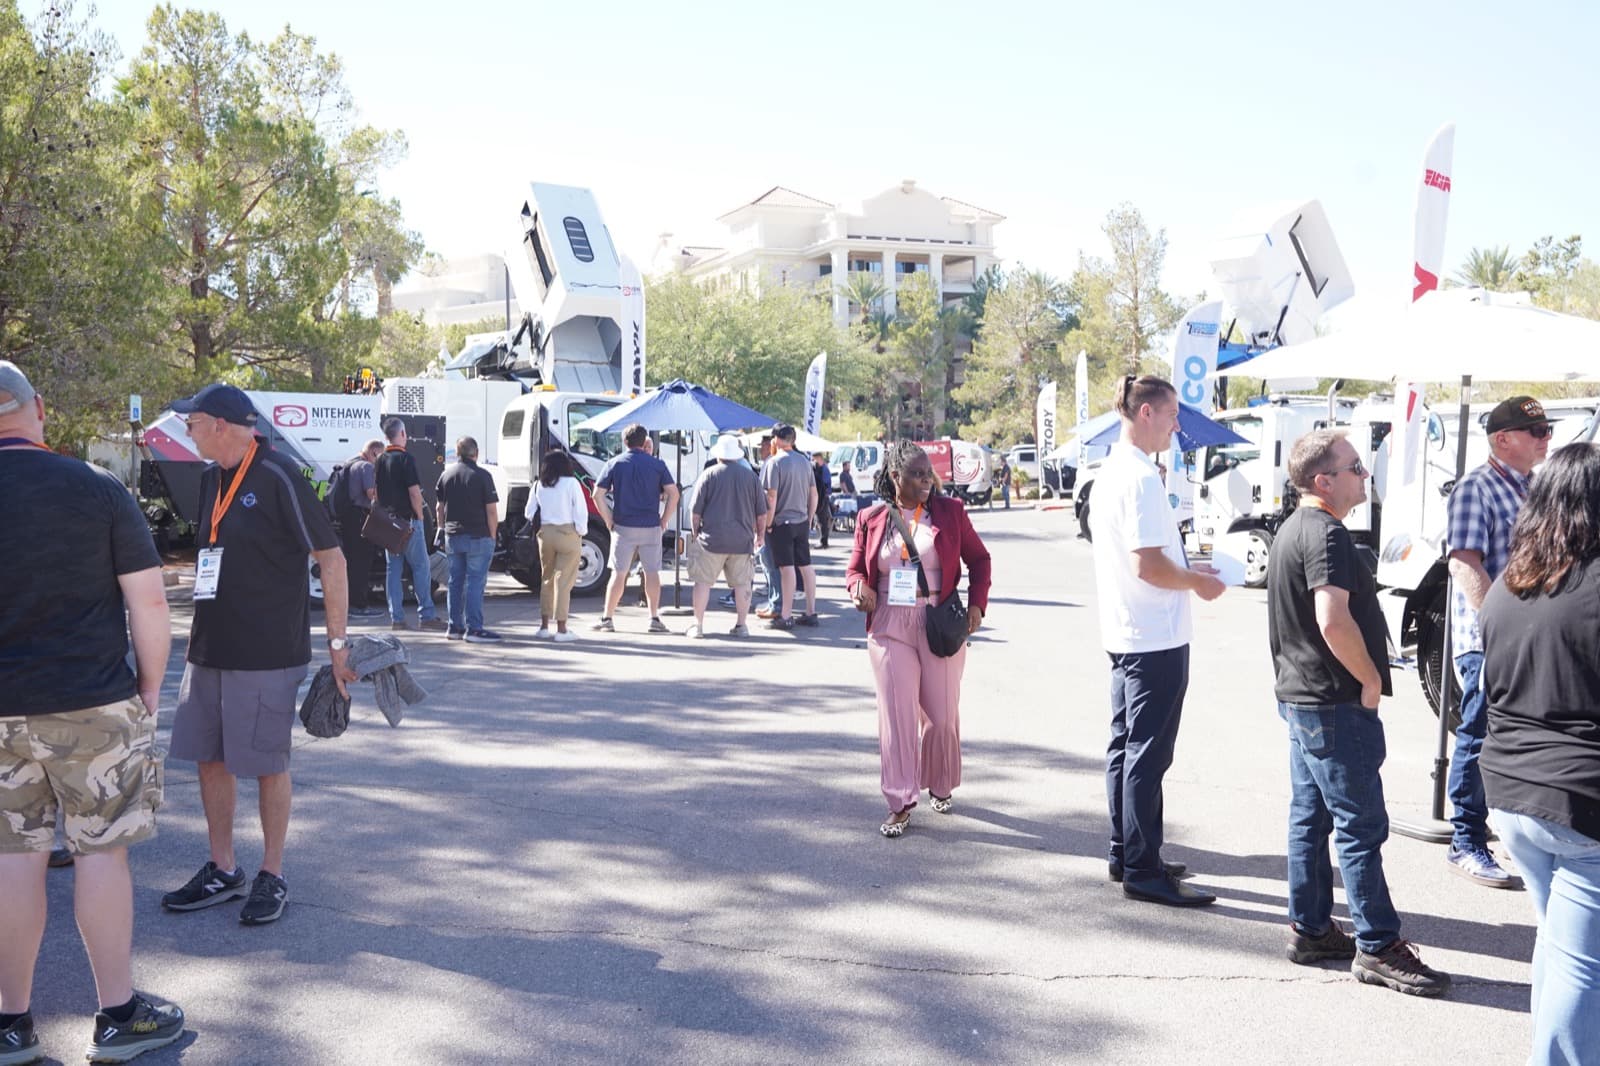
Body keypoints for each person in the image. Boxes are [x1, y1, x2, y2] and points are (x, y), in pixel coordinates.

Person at [0, 362, 186, 1063]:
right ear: (38, 409)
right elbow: (148, 604)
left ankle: (8, 1024)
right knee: (100, 854)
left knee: (10, 859)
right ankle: (117, 1015)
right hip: (93, 703)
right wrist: (149, 688)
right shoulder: (97, 488)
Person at [160, 383, 356, 927]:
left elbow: (332, 560)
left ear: (220, 425)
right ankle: (223, 868)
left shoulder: (278, 473)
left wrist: (337, 646)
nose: (186, 430)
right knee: (210, 757)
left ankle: (272, 872)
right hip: (209, 649)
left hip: (267, 651)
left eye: (191, 421)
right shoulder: (209, 479)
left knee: (268, 764)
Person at [1269, 429, 1451, 996]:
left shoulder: (1294, 529)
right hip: (1332, 702)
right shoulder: (1323, 532)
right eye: (1354, 468)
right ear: (1323, 480)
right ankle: (1377, 945)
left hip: (1306, 699)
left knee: (1312, 818)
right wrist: (1370, 677)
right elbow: (1331, 618)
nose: (1363, 476)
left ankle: (1313, 927)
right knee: (1359, 825)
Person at [1480, 442, 1600, 1062]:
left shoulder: (1510, 584)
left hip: (1510, 792)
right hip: (1578, 805)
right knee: (1582, 968)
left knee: (1558, 946)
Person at [1089, 375, 1225, 907]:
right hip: (1153, 634)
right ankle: (1142, 868)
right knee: (1147, 753)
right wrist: (1199, 581)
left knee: (1127, 748)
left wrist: (1189, 568)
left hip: (1129, 630)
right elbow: (1147, 565)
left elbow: (1144, 556)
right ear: (1146, 413)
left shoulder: (1115, 471)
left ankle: (1129, 851)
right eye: (1171, 416)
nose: (1176, 426)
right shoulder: (1140, 478)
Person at [846, 441, 990, 837]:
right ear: (896, 477)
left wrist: (978, 604)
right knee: (898, 715)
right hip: (890, 624)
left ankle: (939, 781)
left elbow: (979, 559)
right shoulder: (871, 517)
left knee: (941, 716)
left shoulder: (951, 512)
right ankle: (900, 799)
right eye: (918, 474)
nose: (928, 480)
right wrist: (858, 588)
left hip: (938, 621)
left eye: (929, 473)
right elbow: (856, 568)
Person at [1444, 394, 1549, 889]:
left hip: (1527, 635)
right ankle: (1465, 839)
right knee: (1480, 732)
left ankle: (1504, 830)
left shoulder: (1533, 487)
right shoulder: (1476, 488)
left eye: (1546, 430)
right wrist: (1498, 625)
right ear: (1504, 439)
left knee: (1513, 736)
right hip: (1489, 637)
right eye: (1537, 432)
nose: (1546, 439)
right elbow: (1464, 562)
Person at [591, 423, 678, 634]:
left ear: (624, 442)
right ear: (645, 441)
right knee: (652, 572)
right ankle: (654, 618)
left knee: (619, 573)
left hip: (623, 526)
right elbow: (673, 493)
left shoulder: (615, 463)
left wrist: (608, 519)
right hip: (650, 525)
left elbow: (597, 494)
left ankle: (607, 618)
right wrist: (664, 519)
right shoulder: (657, 465)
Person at [687, 434, 769, 639]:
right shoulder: (750, 477)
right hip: (742, 540)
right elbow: (762, 512)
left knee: (703, 582)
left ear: (718, 455)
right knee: (742, 584)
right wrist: (760, 536)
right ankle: (741, 625)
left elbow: (695, 511)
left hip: (711, 539)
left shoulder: (708, 474)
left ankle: (697, 625)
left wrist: (695, 533)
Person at [375, 418, 446, 633]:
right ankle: (427, 615)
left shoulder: (380, 459)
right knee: (421, 567)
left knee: (393, 571)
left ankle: (397, 618)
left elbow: (376, 492)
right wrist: (420, 518)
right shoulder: (406, 459)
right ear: (403, 434)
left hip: (388, 522)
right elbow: (414, 492)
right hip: (409, 521)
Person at [435, 436, 501, 643]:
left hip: (453, 536)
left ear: (458, 452)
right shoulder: (483, 476)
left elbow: (439, 507)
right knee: (475, 582)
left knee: (455, 582)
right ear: (476, 453)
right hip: (478, 536)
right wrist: (492, 535)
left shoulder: (446, 475)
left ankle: (454, 626)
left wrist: (441, 528)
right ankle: (474, 628)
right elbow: (491, 511)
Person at [761, 424, 819, 630]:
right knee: (805, 566)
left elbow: (771, 496)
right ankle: (811, 611)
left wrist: (767, 524)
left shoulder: (774, 463)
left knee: (787, 568)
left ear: (776, 439)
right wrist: (810, 518)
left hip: (782, 522)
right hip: (802, 521)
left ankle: (785, 615)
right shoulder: (805, 462)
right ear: (793, 440)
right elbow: (814, 494)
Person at [527, 450, 588, 642]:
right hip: (567, 532)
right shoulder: (572, 483)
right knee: (564, 581)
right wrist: (580, 531)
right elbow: (580, 511)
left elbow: (529, 512)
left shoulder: (538, 484)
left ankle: (544, 626)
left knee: (547, 579)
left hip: (545, 534)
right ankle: (562, 629)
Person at [335, 439, 384, 619]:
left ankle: (350, 603)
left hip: (349, 518)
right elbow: (372, 494)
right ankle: (359, 606)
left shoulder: (351, 463)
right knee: (361, 563)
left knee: (353, 562)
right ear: (374, 453)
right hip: (360, 517)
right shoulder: (366, 467)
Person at [812, 451, 834, 549]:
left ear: (819, 458)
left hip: (823, 498)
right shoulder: (820, 469)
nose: (814, 461)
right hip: (821, 497)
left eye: (815, 459)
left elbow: (825, 484)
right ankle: (823, 540)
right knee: (821, 519)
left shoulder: (824, 469)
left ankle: (824, 541)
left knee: (823, 520)